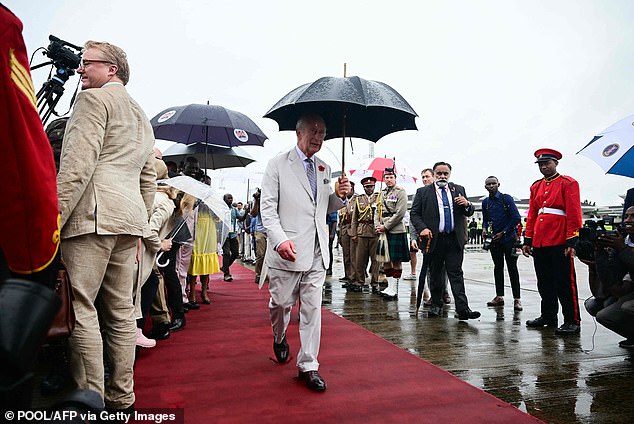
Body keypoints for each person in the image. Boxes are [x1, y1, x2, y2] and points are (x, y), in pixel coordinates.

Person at [56, 40, 156, 411]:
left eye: (87, 64)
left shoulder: (92, 101)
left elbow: (76, 169)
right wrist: (140, 226)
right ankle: (122, 397)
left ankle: (90, 400)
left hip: (91, 219)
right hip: (127, 221)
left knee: (80, 306)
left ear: (111, 69)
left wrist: (53, 222)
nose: (80, 69)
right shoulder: (142, 115)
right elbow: (148, 179)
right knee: (119, 312)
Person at [260, 113, 350, 392]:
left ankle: (308, 365)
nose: (319, 137)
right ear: (298, 133)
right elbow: (268, 210)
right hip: (286, 251)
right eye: (313, 131)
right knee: (281, 305)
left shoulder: (324, 168)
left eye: (323, 133)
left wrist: (342, 196)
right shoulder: (277, 164)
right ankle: (279, 335)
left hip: (316, 252)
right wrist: (280, 240)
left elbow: (325, 206)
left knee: (312, 311)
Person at [522, 148, 583, 335]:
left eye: (547, 163)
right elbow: (532, 214)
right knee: (544, 282)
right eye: (541, 164)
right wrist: (528, 239)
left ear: (556, 163)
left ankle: (572, 320)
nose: (544, 167)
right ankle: (548, 315)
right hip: (540, 241)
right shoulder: (536, 186)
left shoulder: (568, 183)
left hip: (560, 240)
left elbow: (574, 213)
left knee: (564, 282)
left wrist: (571, 241)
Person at [409, 161, 480, 320]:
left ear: (449, 174)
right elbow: (414, 214)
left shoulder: (458, 190)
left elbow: (468, 212)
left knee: (456, 273)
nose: (442, 176)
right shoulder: (423, 192)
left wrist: (467, 204)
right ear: (433, 174)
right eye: (439, 173)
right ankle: (436, 305)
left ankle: (463, 309)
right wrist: (422, 229)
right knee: (435, 274)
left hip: (454, 240)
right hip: (434, 240)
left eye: (445, 173)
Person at [592, 206, 634, 348]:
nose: (628, 220)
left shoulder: (623, 244)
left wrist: (622, 249)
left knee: (629, 307)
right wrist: (600, 255)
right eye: (627, 216)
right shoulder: (624, 240)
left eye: (633, 216)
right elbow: (613, 283)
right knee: (598, 307)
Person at [481, 176, 523, 311]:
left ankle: (517, 299)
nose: (491, 186)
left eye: (494, 183)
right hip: (494, 240)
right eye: (488, 184)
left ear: (498, 184)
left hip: (509, 239)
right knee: (497, 267)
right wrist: (484, 229)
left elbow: (516, 217)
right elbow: (486, 219)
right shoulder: (486, 202)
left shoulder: (506, 199)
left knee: (512, 268)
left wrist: (504, 232)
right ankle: (499, 296)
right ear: (485, 186)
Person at [376, 167, 410, 299]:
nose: (389, 180)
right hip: (382, 230)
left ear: (395, 178)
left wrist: (386, 226)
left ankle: (394, 289)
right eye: (386, 177)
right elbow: (376, 210)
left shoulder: (401, 192)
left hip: (395, 230)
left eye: (391, 177)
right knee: (385, 260)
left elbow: (400, 213)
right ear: (384, 179)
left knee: (396, 260)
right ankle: (389, 287)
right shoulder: (382, 193)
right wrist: (377, 226)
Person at [350, 176, 380, 293]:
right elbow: (354, 218)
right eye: (367, 187)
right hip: (361, 232)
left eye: (371, 186)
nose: (369, 189)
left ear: (374, 186)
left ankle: (375, 282)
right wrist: (353, 233)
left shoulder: (379, 198)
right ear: (363, 187)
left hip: (375, 232)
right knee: (359, 260)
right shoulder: (359, 199)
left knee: (376, 260)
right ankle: (359, 281)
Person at [220, 193, 247, 281]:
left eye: (231, 198)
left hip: (233, 234)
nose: (230, 200)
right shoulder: (220, 209)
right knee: (227, 253)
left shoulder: (234, 210)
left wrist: (246, 212)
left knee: (235, 253)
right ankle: (227, 274)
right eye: (228, 198)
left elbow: (241, 218)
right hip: (224, 234)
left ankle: (225, 267)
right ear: (224, 199)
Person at [250, 188, 268, 284]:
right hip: (260, 230)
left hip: (271, 231)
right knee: (260, 254)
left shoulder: (273, 198)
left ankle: (268, 274)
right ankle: (259, 274)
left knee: (270, 255)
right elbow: (253, 214)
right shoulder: (257, 201)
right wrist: (257, 200)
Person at [326, 210, 338, 276]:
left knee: (329, 250)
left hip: (329, 232)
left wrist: (332, 233)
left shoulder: (331, 207)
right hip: (322, 232)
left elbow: (334, 222)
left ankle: (329, 269)